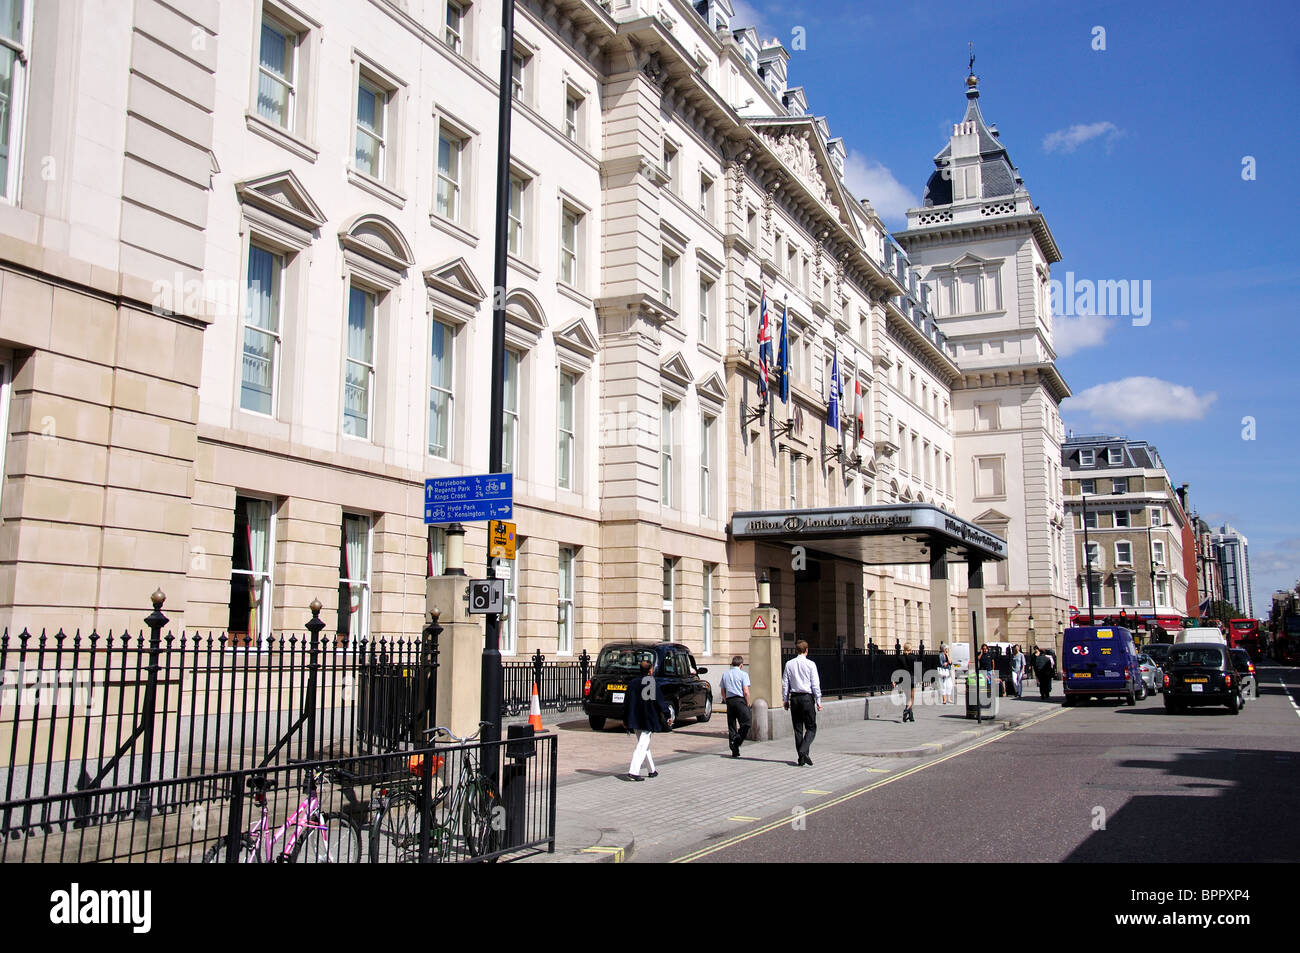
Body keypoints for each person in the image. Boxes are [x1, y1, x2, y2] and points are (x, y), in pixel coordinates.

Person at [624, 658, 672, 780]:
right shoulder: (650, 682)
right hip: (647, 719)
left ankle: (652, 770)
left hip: (635, 718)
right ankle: (634, 771)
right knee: (642, 745)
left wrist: (624, 719)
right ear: (650, 671)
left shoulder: (632, 683)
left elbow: (626, 702)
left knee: (643, 744)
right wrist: (667, 715)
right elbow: (659, 701)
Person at [782, 640, 822, 766]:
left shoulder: (789, 664)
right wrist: (818, 700)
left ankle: (801, 758)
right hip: (806, 698)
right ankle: (803, 751)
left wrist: (785, 699)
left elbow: (785, 683)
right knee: (811, 728)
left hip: (794, 698)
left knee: (798, 729)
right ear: (806, 650)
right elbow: (815, 684)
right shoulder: (811, 664)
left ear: (796, 650)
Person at [719, 655, 752, 757]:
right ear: (741, 665)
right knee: (746, 723)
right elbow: (746, 691)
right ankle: (737, 740)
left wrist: (726, 700)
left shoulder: (725, 674)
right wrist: (748, 703)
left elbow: (722, 691)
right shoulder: (743, 674)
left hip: (730, 701)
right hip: (740, 700)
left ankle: (734, 749)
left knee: (732, 725)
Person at [900, 642, 917, 722]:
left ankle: (910, 715)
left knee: (907, 697)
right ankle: (907, 710)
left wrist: (895, 681)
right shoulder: (913, 657)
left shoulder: (900, 658)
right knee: (912, 697)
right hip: (912, 678)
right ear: (910, 649)